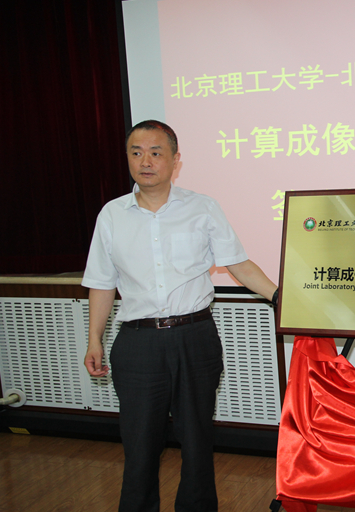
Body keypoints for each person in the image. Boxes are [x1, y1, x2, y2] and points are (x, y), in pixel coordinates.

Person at [82, 120, 278, 512]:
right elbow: (102, 283)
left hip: (195, 337)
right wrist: (94, 340)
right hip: (137, 343)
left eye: (156, 153)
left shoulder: (202, 207)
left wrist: (279, 297)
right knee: (139, 444)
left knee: (197, 439)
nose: (146, 161)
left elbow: (238, 264)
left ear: (175, 161)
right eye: (136, 152)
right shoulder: (112, 215)